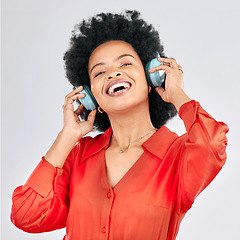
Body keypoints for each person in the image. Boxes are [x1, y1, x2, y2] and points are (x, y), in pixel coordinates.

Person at [11, 10, 229, 240]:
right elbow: (27, 215)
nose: (113, 73)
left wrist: (176, 93)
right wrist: (67, 137)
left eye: (125, 63)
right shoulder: (78, 156)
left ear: (149, 80)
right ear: (93, 99)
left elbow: (213, 144)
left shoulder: (177, 155)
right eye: (100, 72)